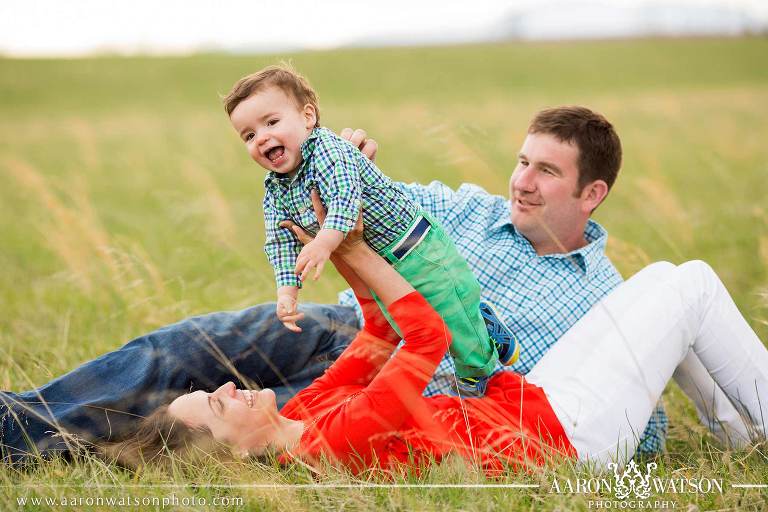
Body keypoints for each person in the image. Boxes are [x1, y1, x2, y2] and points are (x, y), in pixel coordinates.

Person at [4, 105, 706, 463]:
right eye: (522, 161)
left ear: (593, 194)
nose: (521, 181)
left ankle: (91, 455)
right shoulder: (466, 207)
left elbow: (635, 424)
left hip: (394, 392)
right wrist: (350, 162)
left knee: (212, 430)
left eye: (546, 172)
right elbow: (370, 194)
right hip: (345, 327)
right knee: (174, 352)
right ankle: (15, 425)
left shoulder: (607, 298)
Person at [108, 198, 768, 472]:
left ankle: (741, 439)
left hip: (534, 399)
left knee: (660, 281)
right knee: (696, 285)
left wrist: (334, 246)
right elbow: (422, 337)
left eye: (215, 389)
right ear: (238, 455)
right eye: (219, 406)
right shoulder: (339, 441)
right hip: (577, 432)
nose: (228, 387)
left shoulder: (304, 415)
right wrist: (362, 251)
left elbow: (376, 340)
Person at [225, 65, 516, 393]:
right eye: (249, 136)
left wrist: (323, 242)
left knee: (453, 324)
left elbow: (346, 198)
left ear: (308, 117)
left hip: (416, 248)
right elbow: (279, 240)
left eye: (271, 122)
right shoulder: (276, 187)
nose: (261, 137)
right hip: (379, 266)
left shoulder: (330, 151)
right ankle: (478, 319)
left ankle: (480, 378)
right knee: (406, 322)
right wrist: (287, 291)